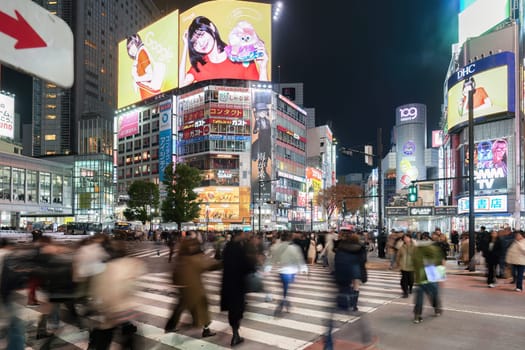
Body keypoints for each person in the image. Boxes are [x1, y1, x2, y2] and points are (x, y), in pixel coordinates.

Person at [179, 16, 268, 88]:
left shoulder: (240, 56)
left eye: (201, 35)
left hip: (239, 110)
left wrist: (263, 68)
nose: (201, 43)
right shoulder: (199, 66)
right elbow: (181, 86)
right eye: (195, 43)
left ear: (211, 27)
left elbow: (260, 95)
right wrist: (186, 45)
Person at [164, 238, 222, 337]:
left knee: (180, 308)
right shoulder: (196, 258)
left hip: (183, 289)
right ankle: (205, 330)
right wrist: (223, 261)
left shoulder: (181, 257)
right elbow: (211, 265)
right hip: (195, 289)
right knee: (202, 308)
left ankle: (170, 327)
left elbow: (174, 274)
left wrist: (177, 284)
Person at [220, 230, 256, 346]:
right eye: (242, 235)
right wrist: (253, 265)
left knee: (232, 309)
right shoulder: (239, 249)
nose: (244, 236)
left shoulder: (228, 247)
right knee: (238, 309)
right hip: (238, 283)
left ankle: (235, 333)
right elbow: (245, 265)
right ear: (238, 236)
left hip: (228, 283)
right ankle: (235, 335)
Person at [265, 231, 308, 317]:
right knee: (286, 288)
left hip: (282, 271)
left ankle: (285, 301)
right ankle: (285, 301)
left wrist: (268, 268)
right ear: (290, 238)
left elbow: (272, 259)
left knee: (285, 287)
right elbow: (299, 259)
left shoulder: (276, 247)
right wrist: (304, 269)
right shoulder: (295, 247)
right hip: (292, 271)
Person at [412, 241, 445, 324]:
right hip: (432, 272)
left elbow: (414, 263)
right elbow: (439, 263)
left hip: (420, 274)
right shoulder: (435, 249)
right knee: (434, 293)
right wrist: (441, 278)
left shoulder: (416, 251)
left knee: (419, 296)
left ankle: (417, 316)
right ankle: (437, 309)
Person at [333, 231, 366, 312]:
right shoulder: (360, 247)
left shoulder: (342, 246)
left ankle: (345, 302)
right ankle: (354, 305)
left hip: (344, 268)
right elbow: (363, 260)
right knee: (356, 287)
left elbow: (337, 258)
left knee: (345, 286)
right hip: (356, 268)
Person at [126, 33, 165, 99]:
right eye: (129, 48)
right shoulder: (138, 56)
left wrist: (136, 80)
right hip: (147, 95)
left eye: (132, 44)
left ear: (137, 41)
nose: (130, 50)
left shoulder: (141, 53)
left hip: (150, 93)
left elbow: (150, 75)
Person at [396, 233, 415, 298]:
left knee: (411, 280)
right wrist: (398, 263)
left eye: (407, 238)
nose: (406, 239)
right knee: (404, 280)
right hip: (403, 266)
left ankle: (410, 287)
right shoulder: (401, 247)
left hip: (411, 266)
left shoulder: (414, 247)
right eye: (404, 238)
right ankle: (405, 292)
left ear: (410, 238)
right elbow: (398, 256)